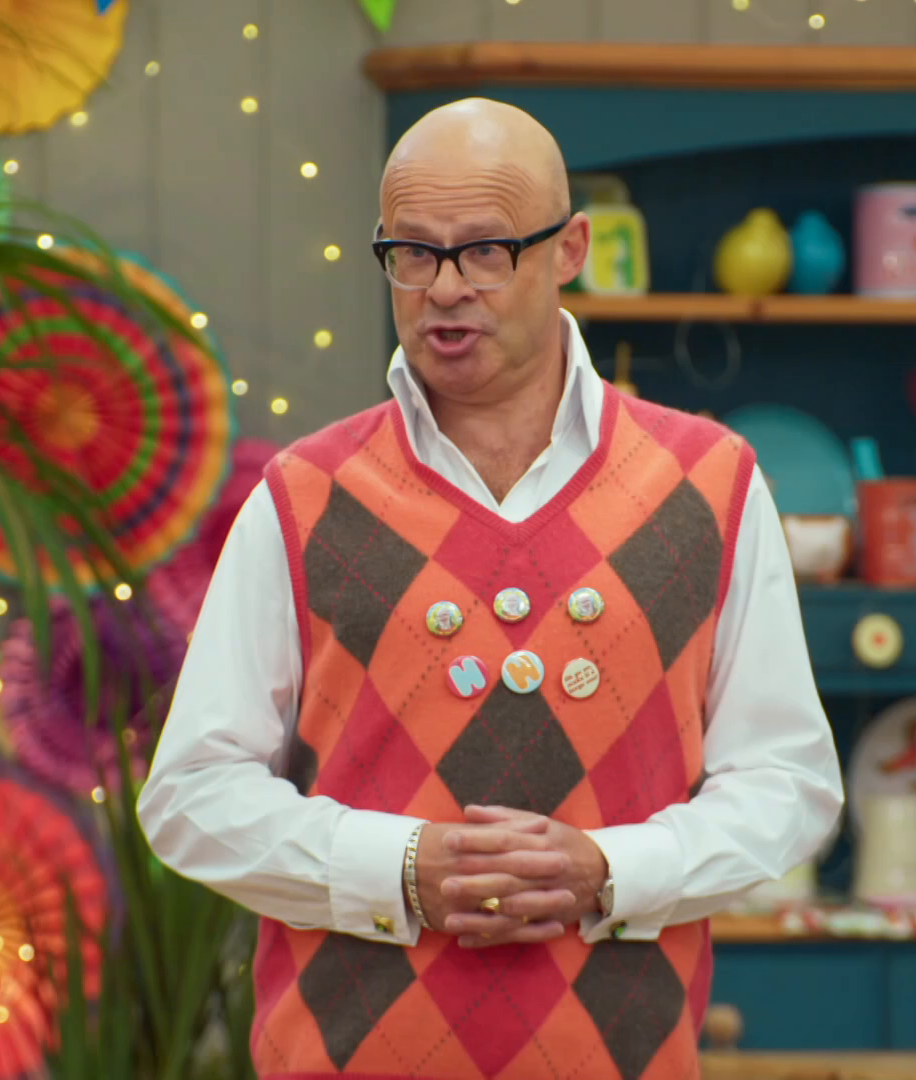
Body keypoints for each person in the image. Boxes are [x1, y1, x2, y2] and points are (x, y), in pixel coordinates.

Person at [137, 97, 842, 1079]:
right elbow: (190, 795)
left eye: (484, 251)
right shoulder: (301, 496)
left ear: (571, 249)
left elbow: (788, 782)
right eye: (412, 253)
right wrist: (397, 870)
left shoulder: (708, 484)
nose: (443, 288)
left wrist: (612, 872)